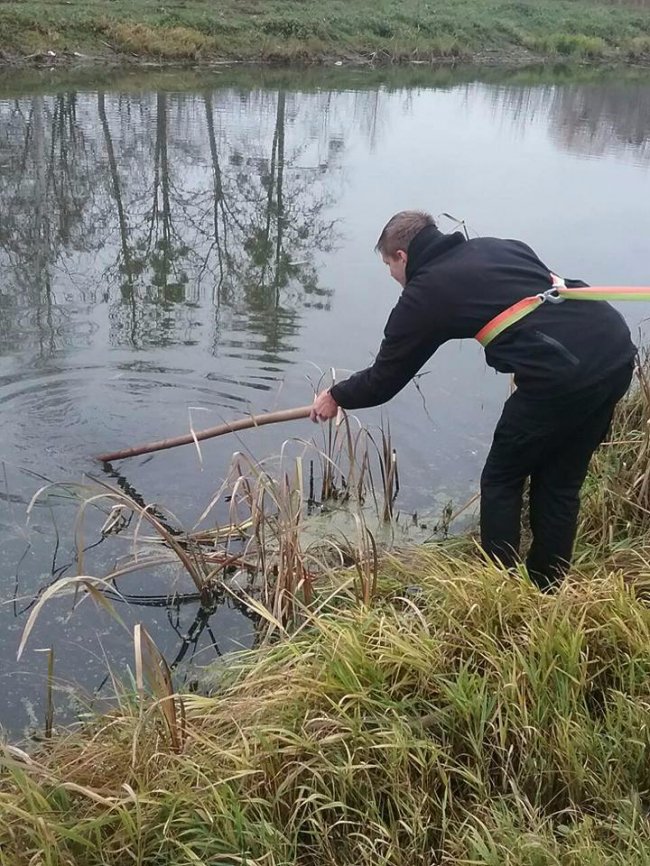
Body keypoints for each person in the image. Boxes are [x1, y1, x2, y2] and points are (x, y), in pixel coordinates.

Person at [310, 210, 636, 591]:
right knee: (560, 482)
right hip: (614, 352)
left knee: (502, 479)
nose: (391, 275)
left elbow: (384, 379)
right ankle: (548, 588)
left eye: (388, 264)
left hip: (560, 374)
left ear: (402, 256)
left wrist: (336, 395)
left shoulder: (425, 293)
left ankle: (499, 589)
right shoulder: (494, 247)